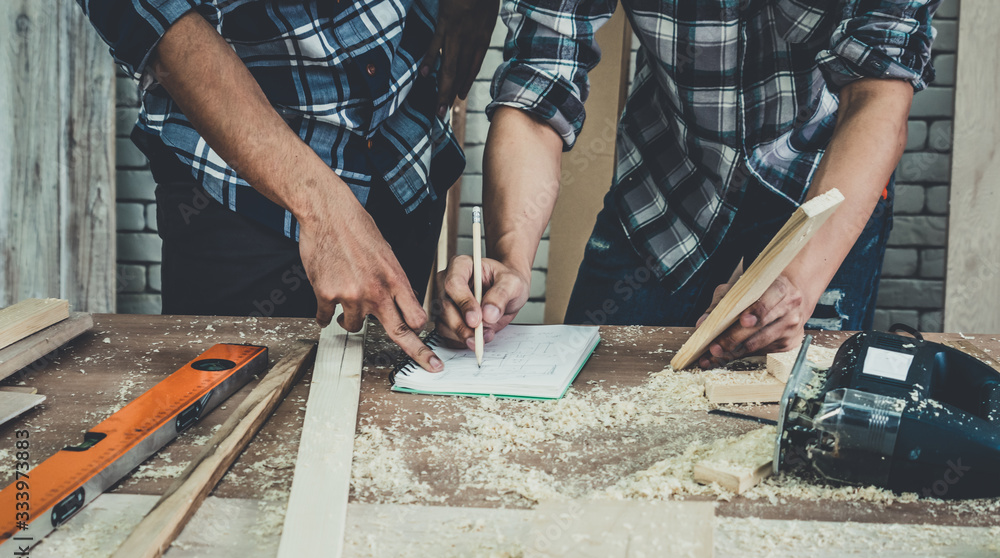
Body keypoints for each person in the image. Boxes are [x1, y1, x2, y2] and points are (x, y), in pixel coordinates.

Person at [435, 0, 939, 368]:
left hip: (828, 184)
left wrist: (798, 283)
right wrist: (512, 256)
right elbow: (543, 73)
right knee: (593, 387)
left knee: (802, 417)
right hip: (668, 175)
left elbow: (878, 92)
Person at [78, 0, 498, 373]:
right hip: (238, 192)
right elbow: (146, 10)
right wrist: (320, 206)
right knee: (229, 422)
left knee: (376, 415)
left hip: (403, 151)